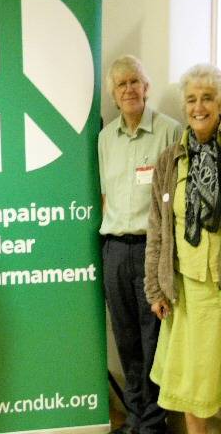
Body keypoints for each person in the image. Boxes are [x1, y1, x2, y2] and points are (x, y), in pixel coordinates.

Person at [98, 55, 182, 434]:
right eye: (121, 85)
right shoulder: (104, 139)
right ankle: (134, 417)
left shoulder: (169, 131)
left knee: (153, 337)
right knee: (125, 336)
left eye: (135, 82)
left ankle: (152, 422)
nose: (129, 89)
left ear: (147, 88)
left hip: (152, 250)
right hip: (114, 249)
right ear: (114, 96)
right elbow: (104, 197)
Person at [145, 63, 221, 434]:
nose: (199, 106)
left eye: (208, 98)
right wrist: (155, 288)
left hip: (219, 291)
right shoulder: (169, 160)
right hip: (186, 295)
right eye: (191, 99)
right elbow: (157, 231)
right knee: (192, 392)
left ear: (220, 104)